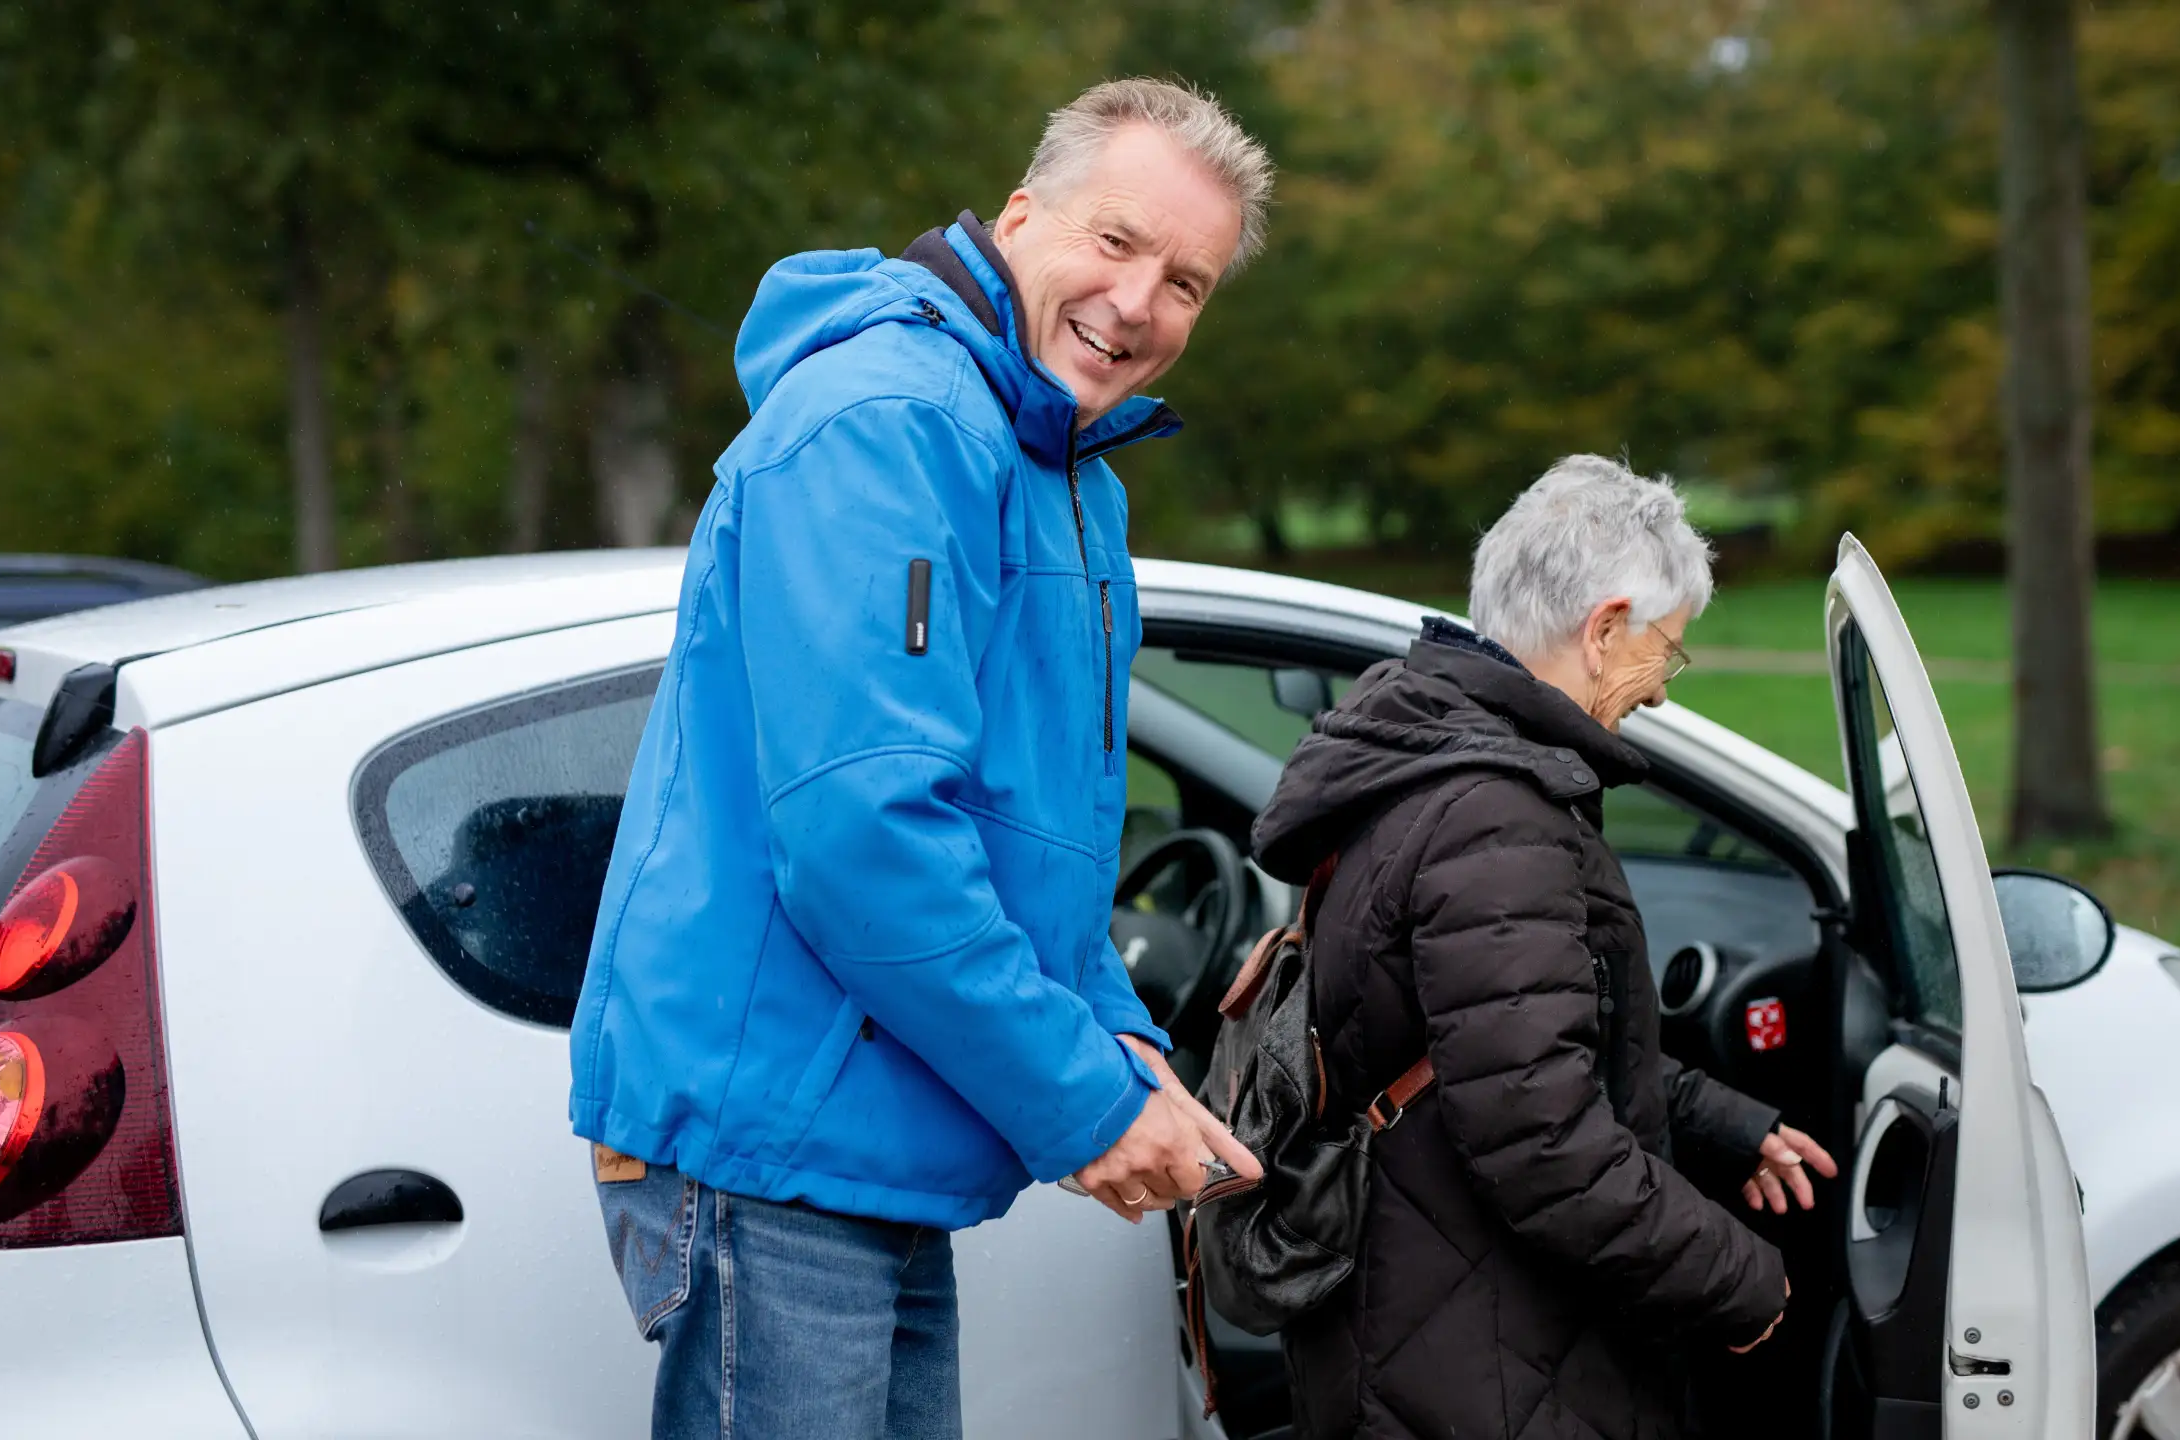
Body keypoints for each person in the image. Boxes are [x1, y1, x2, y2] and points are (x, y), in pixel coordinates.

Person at [567, 78, 1272, 1440]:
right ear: (1020, 214)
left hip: (864, 1134)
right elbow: (866, 838)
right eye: (1116, 243)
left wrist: (1120, 1045)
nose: (1139, 304)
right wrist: (1081, 1104)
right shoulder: (891, 423)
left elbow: (1036, 833)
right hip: (777, 1139)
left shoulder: (1058, 468)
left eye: (1185, 281)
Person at [1248, 455, 1839, 1439]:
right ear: (1605, 630)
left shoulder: (1433, 761)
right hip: (1481, 1365)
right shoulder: (1496, 818)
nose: (1659, 693)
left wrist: (1724, 1122)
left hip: (1430, 1324)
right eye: (1667, 652)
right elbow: (1546, 1147)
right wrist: (1743, 1279)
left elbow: (1512, 1043)